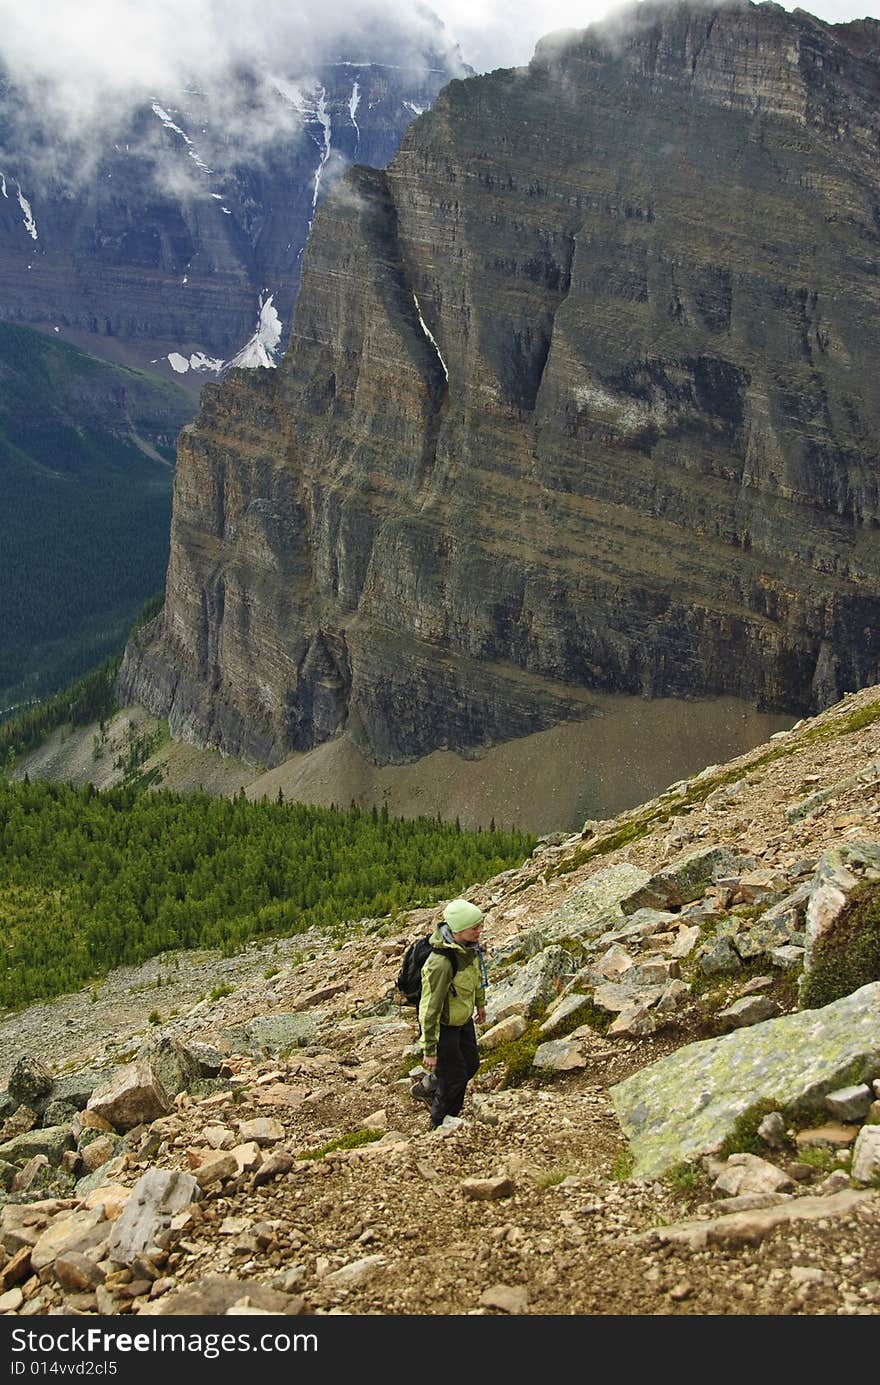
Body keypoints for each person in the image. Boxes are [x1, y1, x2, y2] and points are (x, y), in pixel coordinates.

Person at [414, 897, 487, 1128]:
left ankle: (430, 1086)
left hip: (462, 1019)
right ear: (457, 930)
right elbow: (429, 1008)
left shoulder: (468, 949)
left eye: (480, 925)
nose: (480, 931)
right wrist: (429, 1049)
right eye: (475, 927)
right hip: (444, 1026)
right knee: (455, 1078)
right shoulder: (441, 963)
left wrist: (480, 1004)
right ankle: (440, 1122)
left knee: (471, 1064)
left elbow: (476, 978)